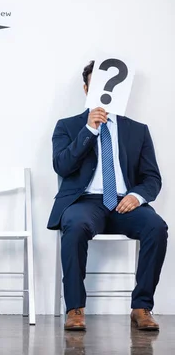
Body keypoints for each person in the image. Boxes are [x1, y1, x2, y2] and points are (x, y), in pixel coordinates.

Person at [49, 60, 167, 331]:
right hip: (85, 202)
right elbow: (62, 165)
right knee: (75, 225)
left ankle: (141, 307)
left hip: (126, 202)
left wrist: (137, 196)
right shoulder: (67, 126)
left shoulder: (138, 130)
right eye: (96, 86)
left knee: (157, 227)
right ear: (86, 89)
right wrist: (89, 130)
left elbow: (152, 178)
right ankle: (75, 308)